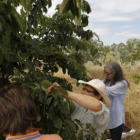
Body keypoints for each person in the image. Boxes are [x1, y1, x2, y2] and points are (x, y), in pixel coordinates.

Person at [103, 61, 130, 140]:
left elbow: (108, 90)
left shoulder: (122, 83)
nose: (106, 75)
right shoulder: (106, 81)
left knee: (116, 137)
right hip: (106, 115)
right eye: (105, 73)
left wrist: (95, 85)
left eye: (108, 73)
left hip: (116, 117)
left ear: (116, 73)